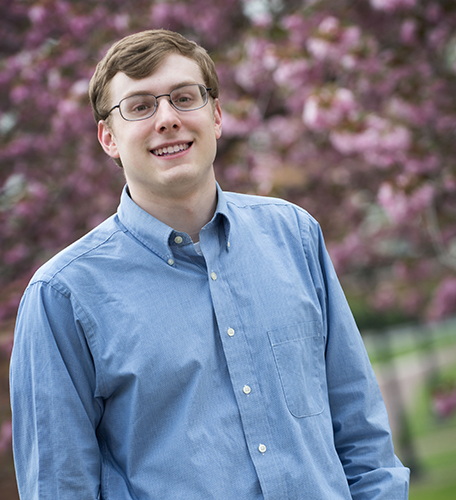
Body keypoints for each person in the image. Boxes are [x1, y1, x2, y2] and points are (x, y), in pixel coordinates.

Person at [10, 29, 410, 500]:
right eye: (139, 106)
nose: (167, 119)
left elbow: (361, 432)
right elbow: (60, 487)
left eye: (184, 98)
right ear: (108, 138)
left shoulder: (294, 235)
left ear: (216, 116)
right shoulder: (63, 296)